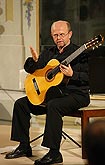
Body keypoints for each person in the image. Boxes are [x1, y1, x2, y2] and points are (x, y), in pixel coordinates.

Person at [5, 20, 90, 165]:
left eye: (62, 34)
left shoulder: (80, 53)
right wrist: (33, 61)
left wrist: (72, 74)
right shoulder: (48, 53)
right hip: (51, 94)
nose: (59, 38)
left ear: (70, 34)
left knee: (53, 105)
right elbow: (32, 71)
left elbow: (91, 77)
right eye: (55, 35)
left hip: (76, 94)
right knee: (21, 104)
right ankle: (24, 146)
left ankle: (54, 153)